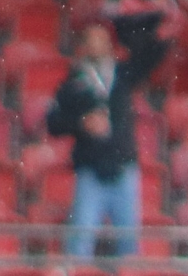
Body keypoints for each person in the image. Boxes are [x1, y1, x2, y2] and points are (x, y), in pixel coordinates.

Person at [45, 16, 174, 259]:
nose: (98, 45)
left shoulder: (122, 74)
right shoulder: (72, 83)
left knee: (129, 242)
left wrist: (161, 36)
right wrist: (81, 123)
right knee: (81, 240)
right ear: (83, 46)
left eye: (102, 40)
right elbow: (52, 123)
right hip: (90, 170)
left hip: (123, 167)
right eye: (93, 40)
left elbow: (149, 60)